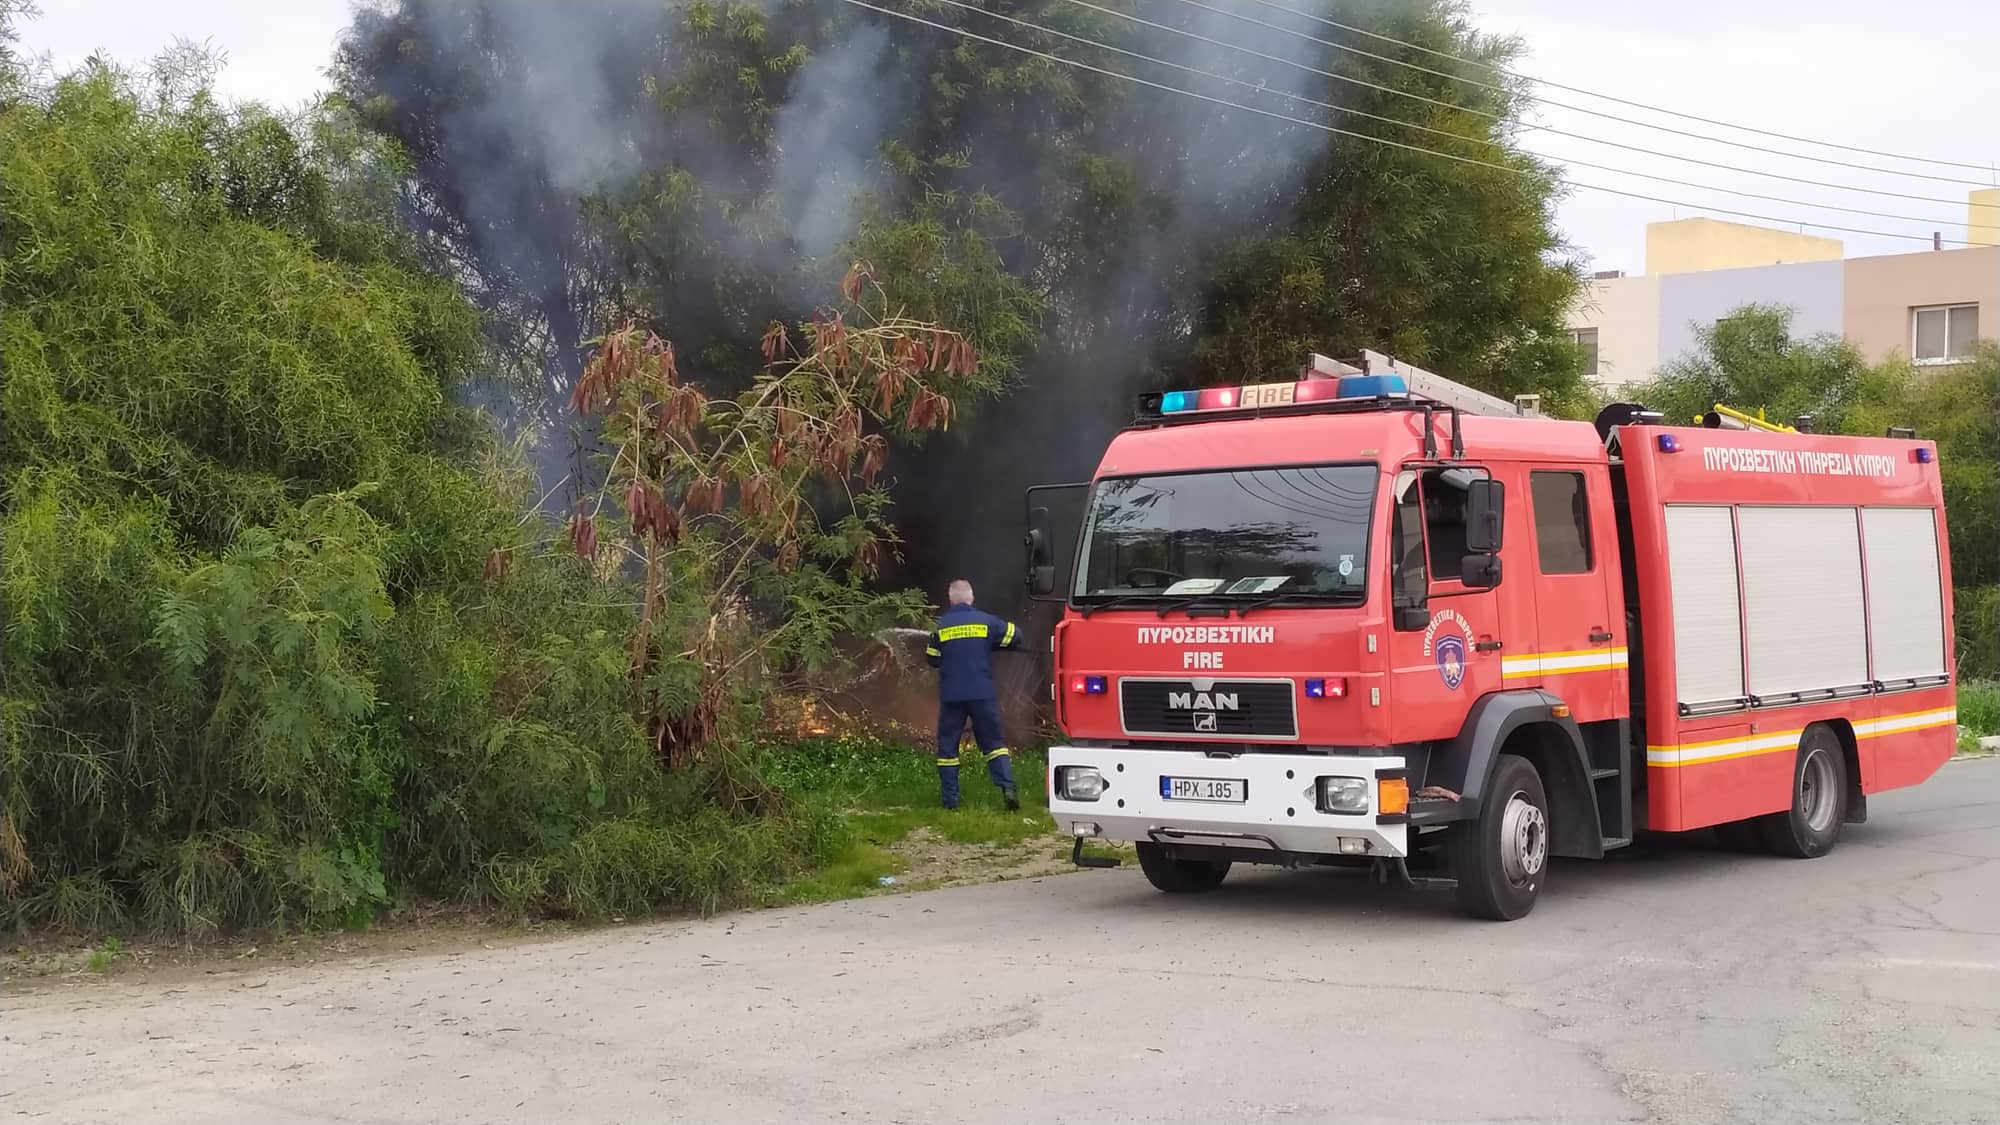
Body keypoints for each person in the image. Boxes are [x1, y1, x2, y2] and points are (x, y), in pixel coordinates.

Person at [925, 579, 1024, 811]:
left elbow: (932, 658)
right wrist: (993, 644)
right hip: (981, 693)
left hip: (952, 696)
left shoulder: (941, 626)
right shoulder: (986, 621)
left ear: (950, 600)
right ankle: (1007, 787)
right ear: (971, 598)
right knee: (994, 743)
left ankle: (951, 802)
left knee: (948, 748)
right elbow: (1016, 635)